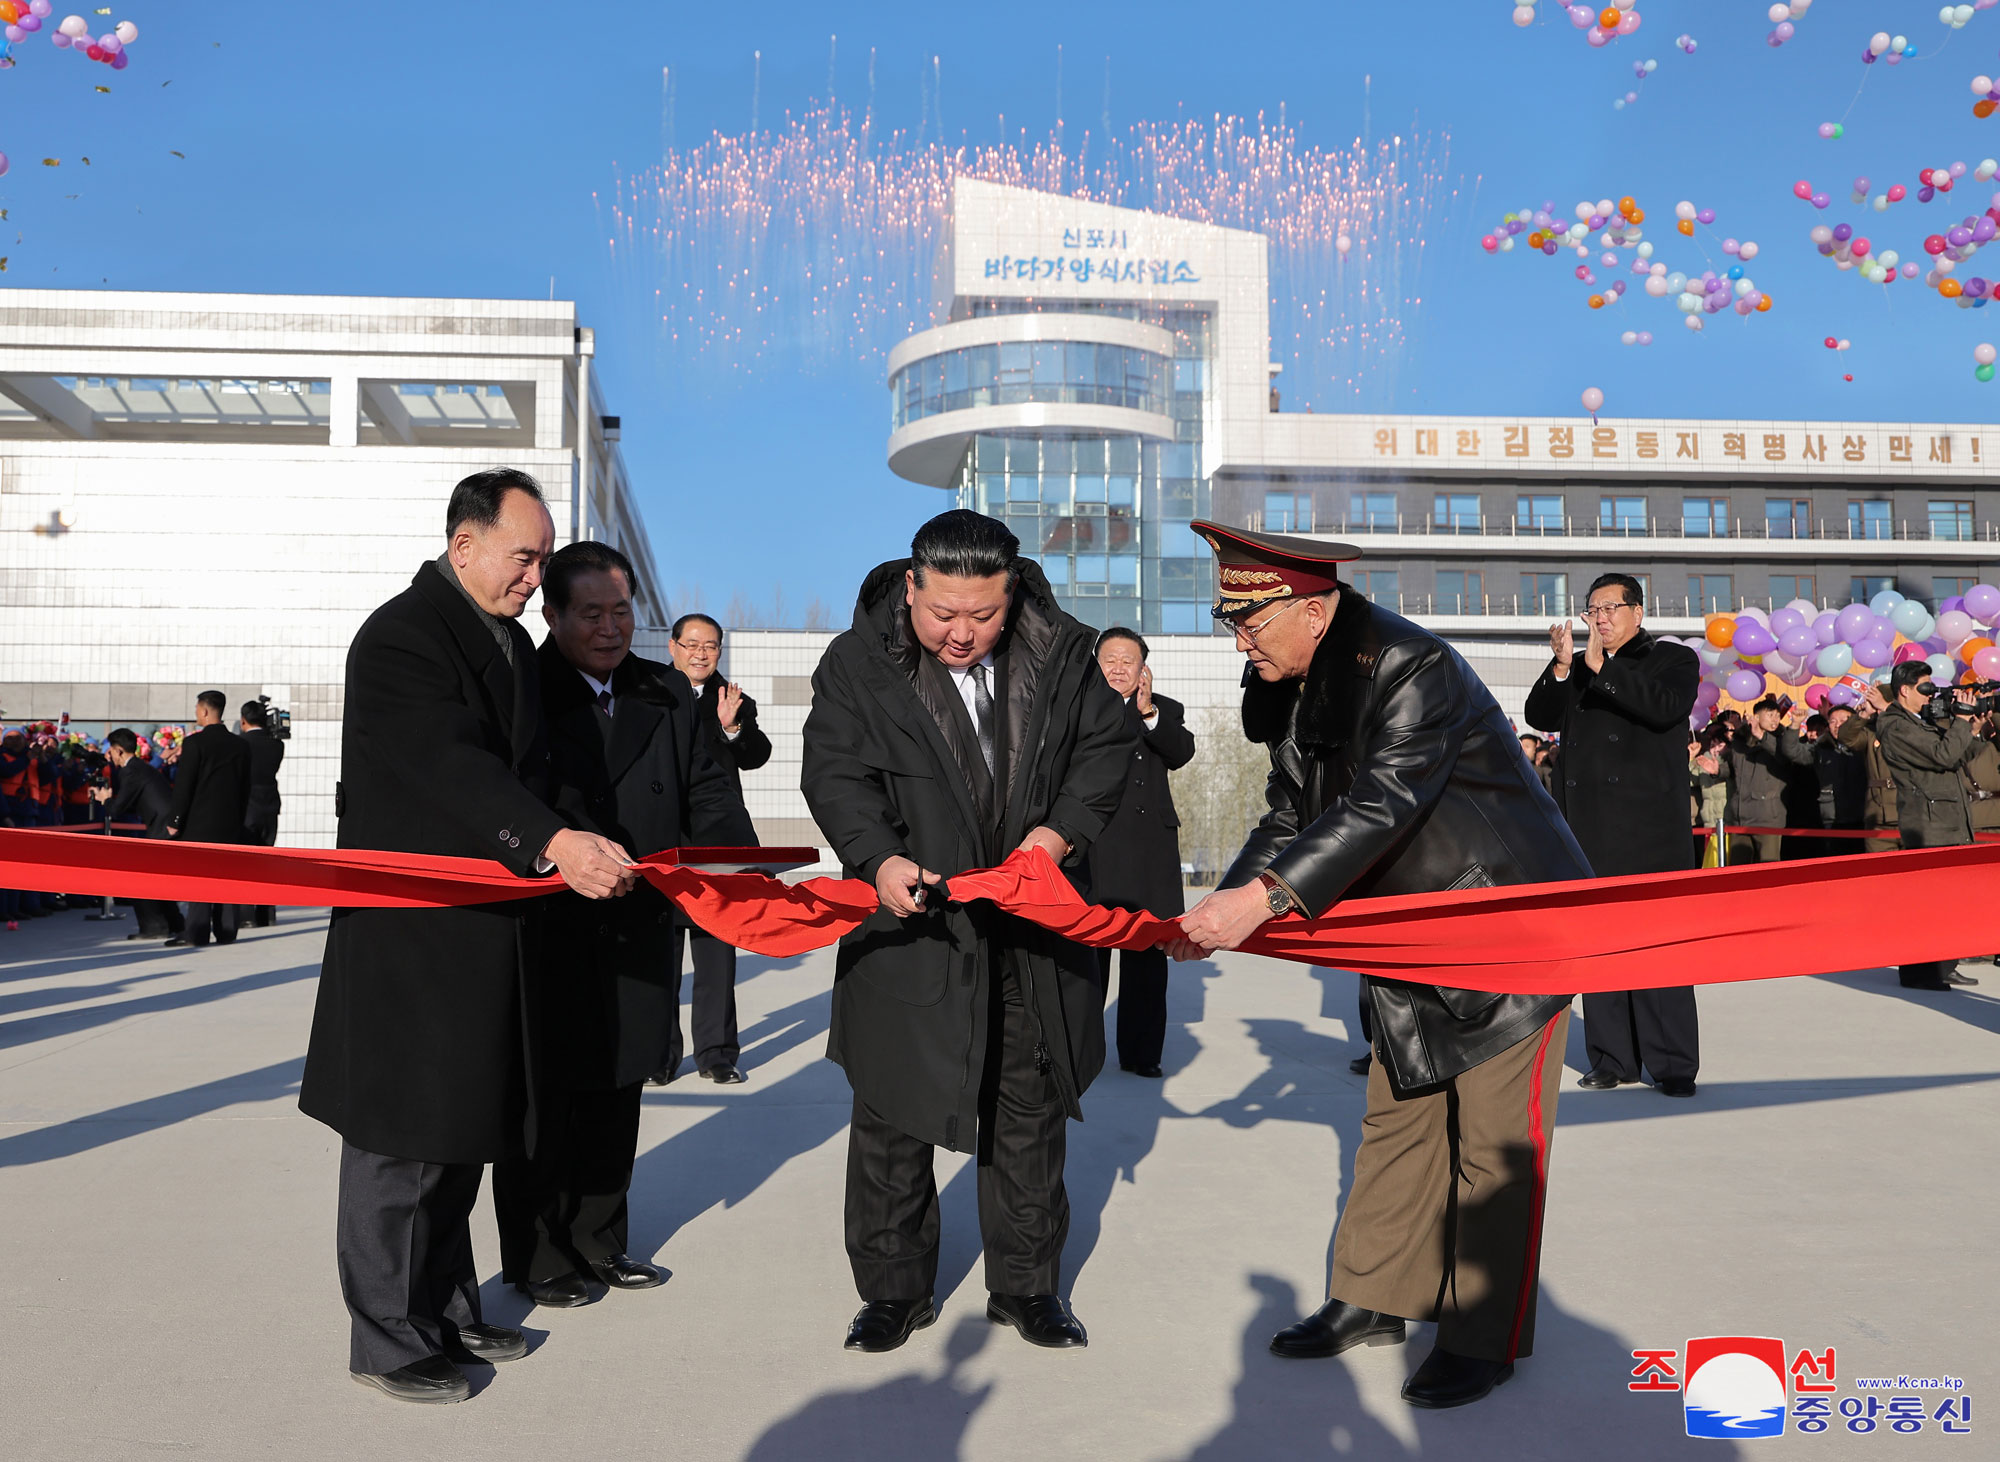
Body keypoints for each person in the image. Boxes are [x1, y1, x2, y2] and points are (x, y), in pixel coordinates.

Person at [1168, 521, 1590, 1411]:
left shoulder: (1411, 666)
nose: (1239, 643)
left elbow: (1383, 799)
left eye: (1250, 626)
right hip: (1407, 927)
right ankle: (1375, 1296)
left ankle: (1483, 1334)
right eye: (1231, 624)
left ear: (1314, 612)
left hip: (1503, 924)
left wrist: (1265, 901)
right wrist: (1222, 908)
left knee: (1493, 1143)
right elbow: (1291, 812)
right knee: (1396, 1117)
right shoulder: (1295, 682)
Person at [298, 468, 638, 1405]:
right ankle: (388, 1338)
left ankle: (442, 1309)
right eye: (525, 557)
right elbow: (450, 769)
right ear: (465, 545)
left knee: (460, 1134)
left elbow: (535, 771)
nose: (537, 576)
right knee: (400, 1143)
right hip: (415, 942)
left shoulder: (508, 645)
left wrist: (594, 837)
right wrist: (552, 841)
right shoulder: (404, 637)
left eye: (538, 559)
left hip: (486, 932)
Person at [800, 509, 1131, 1354]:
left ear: (1011, 594)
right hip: (913, 925)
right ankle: (891, 1292)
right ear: (911, 586)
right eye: (942, 613)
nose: (960, 633)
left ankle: (1027, 1288)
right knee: (893, 1111)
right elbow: (834, 771)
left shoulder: (1066, 654)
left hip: (1032, 927)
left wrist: (1053, 841)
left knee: (1028, 1107)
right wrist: (875, 857)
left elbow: (1105, 753)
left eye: (982, 616)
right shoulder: (857, 663)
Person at [492, 541, 755, 1309]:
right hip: (549, 917)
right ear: (554, 613)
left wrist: (735, 867)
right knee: (549, 1092)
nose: (609, 629)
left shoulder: (668, 692)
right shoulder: (525, 687)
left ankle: (604, 1241)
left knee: (620, 1084)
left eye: (621, 612)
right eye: (590, 614)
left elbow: (708, 788)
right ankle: (538, 1252)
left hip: (641, 918)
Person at [1525, 572, 1702, 1098]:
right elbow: (1540, 715)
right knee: (1599, 950)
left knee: (1657, 950)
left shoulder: (1672, 659)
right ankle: (1612, 1057)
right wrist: (1562, 666)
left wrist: (1604, 670)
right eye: (1591, 610)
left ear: (1637, 612)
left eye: (1609, 608)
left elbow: (1664, 708)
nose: (1599, 619)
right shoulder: (1579, 667)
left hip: (1649, 832)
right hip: (1589, 830)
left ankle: (1672, 1063)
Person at [665, 612, 773, 1084]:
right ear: (673, 648)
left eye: (710, 646)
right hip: (665, 841)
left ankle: (716, 1054)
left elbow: (758, 755)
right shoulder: (650, 694)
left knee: (716, 953)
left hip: (717, 844)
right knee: (662, 957)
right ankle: (659, 1055)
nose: (700, 654)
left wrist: (733, 729)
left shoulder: (731, 697)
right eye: (691, 644)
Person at [1083, 627, 1195, 1079]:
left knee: (1147, 959)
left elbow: (1181, 752)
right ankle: (1081, 1052)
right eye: (1109, 659)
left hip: (1149, 849)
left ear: (1143, 668)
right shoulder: (1076, 709)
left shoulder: (1163, 710)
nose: (1117, 667)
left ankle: (1141, 1054)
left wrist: (1146, 711)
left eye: (1127, 660)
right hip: (1095, 844)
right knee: (1087, 958)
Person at [1844, 663, 1982, 991]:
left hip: (1946, 820)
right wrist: (1960, 721)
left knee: (1947, 903)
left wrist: (1968, 726)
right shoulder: (1894, 725)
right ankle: (1921, 972)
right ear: (1904, 690)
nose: (1929, 694)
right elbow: (1944, 755)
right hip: (1928, 823)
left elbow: (1963, 754)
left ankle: (1944, 964)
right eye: (1924, 688)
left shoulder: (1921, 721)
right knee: (1929, 904)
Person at [165, 690, 252, 949]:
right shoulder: (241, 745)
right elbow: (245, 787)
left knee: (201, 879)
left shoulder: (194, 744)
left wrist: (175, 820)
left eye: (196, 710)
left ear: (204, 711)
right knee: (227, 877)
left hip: (199, 823)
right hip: (230, 823)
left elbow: (184, 787)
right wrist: (239, 819)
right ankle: (226, 930)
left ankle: (197, 931)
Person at [91, 727, 185, 939]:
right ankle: (175, 924)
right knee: (158, 880)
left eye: (111, 751)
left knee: (140, 877)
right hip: (162, 827)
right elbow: (134, 804)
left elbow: (117, 809)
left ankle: (155, 926)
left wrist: (104, 799)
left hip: (162, 829)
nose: (109, 756)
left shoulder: (131, 771)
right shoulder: (139, 768)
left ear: (119, 751)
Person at [1725, 696, 1813, 864]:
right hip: (1739, 816)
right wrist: (1717, 770)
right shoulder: (1739, 741)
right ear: (1756, 717)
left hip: (1767, 816)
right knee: (1737, 869)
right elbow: (1733, 769)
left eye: (1777, 715)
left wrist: (1762, 736)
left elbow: (1784, 757)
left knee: (1768, 866)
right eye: (1770, 715)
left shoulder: (1782, 740)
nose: (1775, 719)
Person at [238, 699, 286, 928]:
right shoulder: (277, 745)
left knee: (247, 861)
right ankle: (266, 914)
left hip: (248, 806)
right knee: (267, 860)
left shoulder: (240, 743)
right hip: (270, 805)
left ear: (243, 720)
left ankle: (246, 914)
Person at [1834, 698, 1901, 852]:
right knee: (1880, 870)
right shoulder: (1871, 732)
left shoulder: (1913, 727)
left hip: (1910, 811)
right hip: (1878, 811)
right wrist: (1864, 714)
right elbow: (1846, 737)